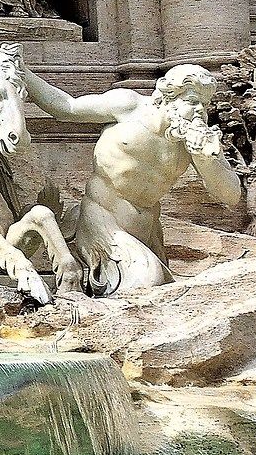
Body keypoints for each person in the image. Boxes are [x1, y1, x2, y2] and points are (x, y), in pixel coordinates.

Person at [22, 64, 244, 295]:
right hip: (102, 218)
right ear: (169, 97)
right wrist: (22, 72)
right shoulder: (129, 106)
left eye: (204, 104)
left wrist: (207, 159)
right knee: (147, 281)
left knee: (165, 293)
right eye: (192, 101)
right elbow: (66, 107)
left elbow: (231, 195)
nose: (200, 110)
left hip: (148, 228)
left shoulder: (195, 140)